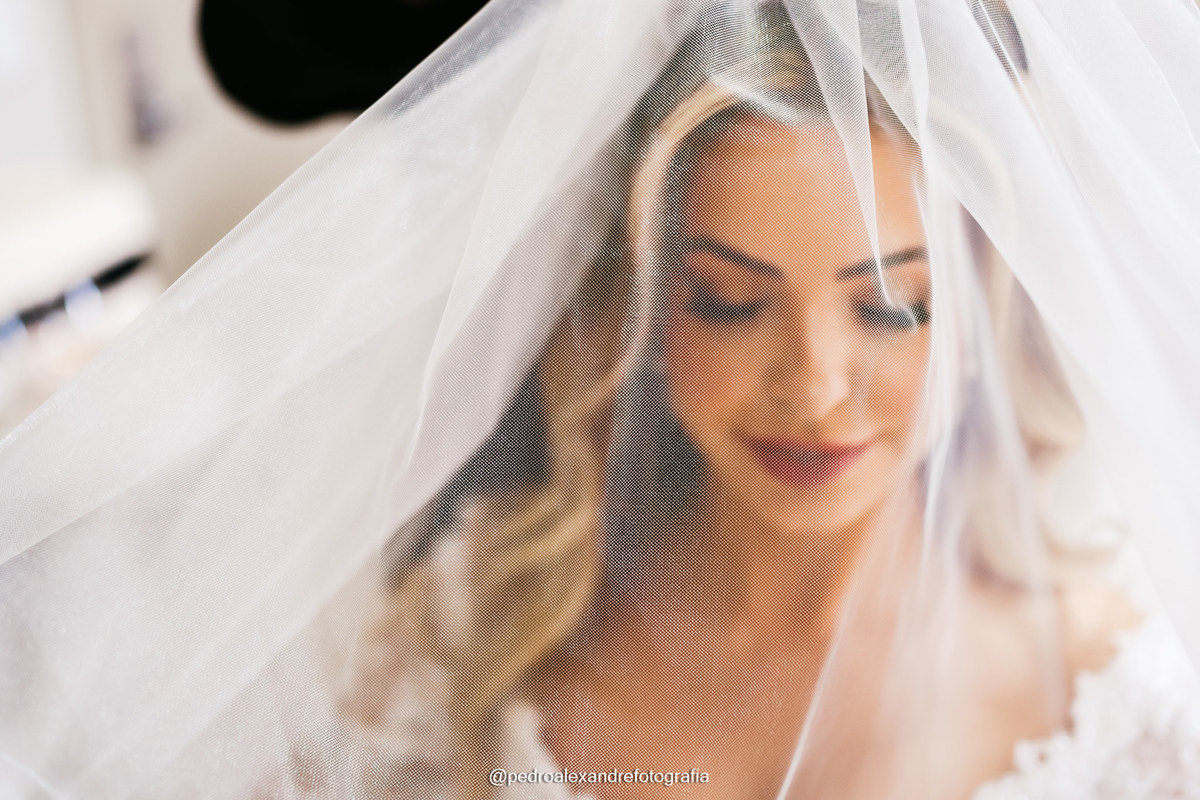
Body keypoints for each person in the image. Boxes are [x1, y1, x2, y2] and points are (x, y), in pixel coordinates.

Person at [3, 1, 1200, 799]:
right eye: (730, 300)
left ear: (989, 305)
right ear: (643, 304)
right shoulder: (468, 640)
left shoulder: (1136, 713)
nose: (815, 384)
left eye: (891, 306)